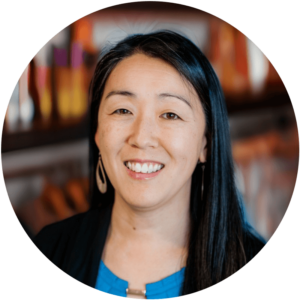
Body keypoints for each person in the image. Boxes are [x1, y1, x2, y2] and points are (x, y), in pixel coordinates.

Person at [32, 30, 266, 298]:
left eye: (170, 114)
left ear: (206, 143)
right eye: (122, 110)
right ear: (98, 132)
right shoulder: (50, 248)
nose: (141, 138)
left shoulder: (247, 259)